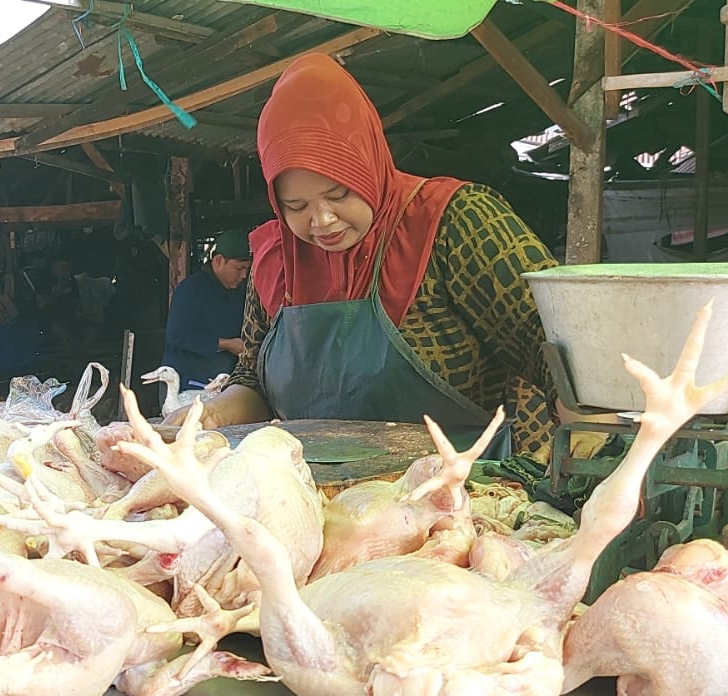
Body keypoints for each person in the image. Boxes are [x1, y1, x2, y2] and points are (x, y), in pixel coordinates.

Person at [185, 53, 563, 460]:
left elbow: (555, 346)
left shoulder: (455, 223)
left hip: (470, 496)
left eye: (339, 193)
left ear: (367, 161)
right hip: (329, 506)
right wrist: (210, 416)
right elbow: (254, 380)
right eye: (295, 206)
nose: (322, 220)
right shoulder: (274, 258)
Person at [160, 229, 251, 390]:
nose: (244, 275)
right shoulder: (191, 290)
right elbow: (177, 336)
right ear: (218, 261)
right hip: (186, 383)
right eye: (239, 268)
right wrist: (228, 344)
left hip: (223, 381)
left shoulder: (241, 293)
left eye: (247, 269)